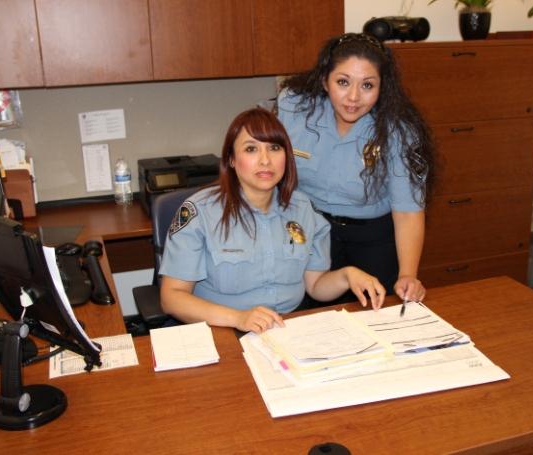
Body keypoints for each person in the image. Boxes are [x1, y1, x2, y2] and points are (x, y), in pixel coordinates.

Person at [159, 108, 385, 334]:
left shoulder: (302, 209)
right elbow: (172, 297)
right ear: (232, 160)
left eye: (274, 148)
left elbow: (315, 286)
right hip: (222, 330)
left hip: (288, 329)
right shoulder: (201, 212)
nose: (265, 160)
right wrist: (238, 318)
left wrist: (347, 275)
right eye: (251, 149)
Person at [277, 32, 435, 305]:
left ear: (382, 87)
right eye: (343, 82)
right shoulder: (295, 106)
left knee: (376, 325)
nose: (353, 97)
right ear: (325, 80)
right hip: (308, 232)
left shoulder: (399, 130)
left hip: (372, 240)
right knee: (304, 322)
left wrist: (408, 274)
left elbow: (408, 212)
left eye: (367, 85)